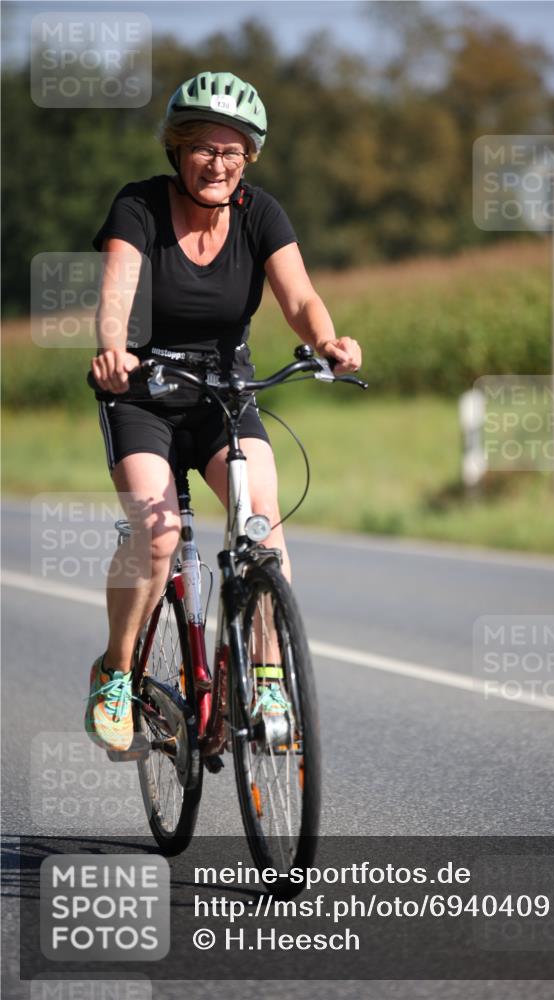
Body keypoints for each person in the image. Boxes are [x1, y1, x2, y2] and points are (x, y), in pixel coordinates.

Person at [85, 70, 362, 752]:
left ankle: (266, 675)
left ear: (249, 159)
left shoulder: (260, 213)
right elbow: (117, 290)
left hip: (225, 398)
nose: (218, 163)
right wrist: (112, 349)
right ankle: (116, 672)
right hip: (143, 394)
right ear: (177, 151)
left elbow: (299, 296)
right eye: (204, 148)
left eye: (233, 151)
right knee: (156, 536)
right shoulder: (139, 207)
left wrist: (324, 340)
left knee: (261, 523)